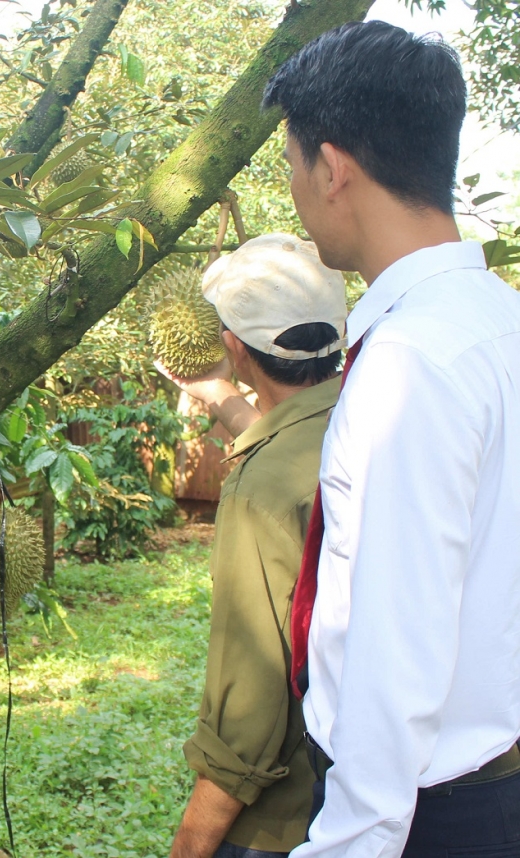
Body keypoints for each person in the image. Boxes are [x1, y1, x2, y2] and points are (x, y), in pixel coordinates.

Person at [263, 21, 520, 857]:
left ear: (331, 168)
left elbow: (391, 645)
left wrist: (349, 842)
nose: (297, 195)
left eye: (293, 167)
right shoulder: (497, 322)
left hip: (422, 814)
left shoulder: (412, 365)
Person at [166, 235, 347, 858]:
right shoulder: (369, 415)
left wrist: (191, 844)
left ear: (235, 347)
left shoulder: (260, 490)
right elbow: (293, 439)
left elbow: (251, 707)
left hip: (290, 816)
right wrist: (222, 397)